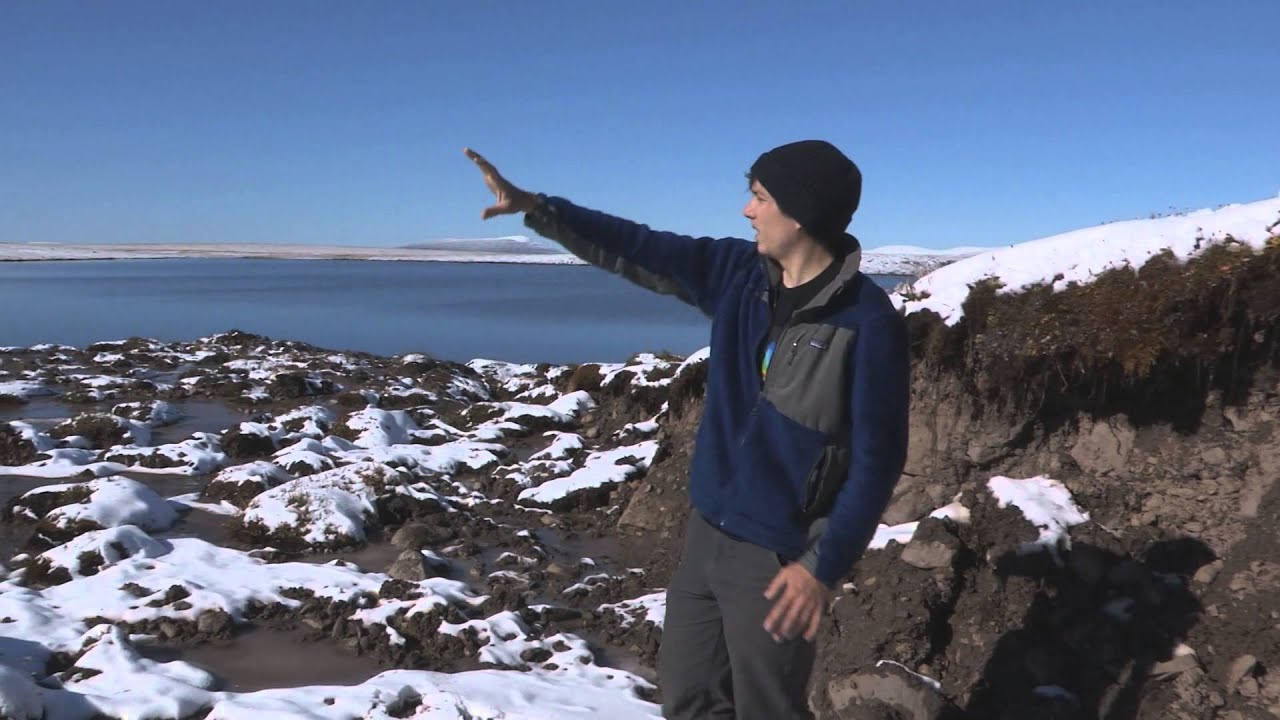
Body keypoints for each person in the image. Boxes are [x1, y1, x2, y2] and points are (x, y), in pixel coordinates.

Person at [465, 141, 910, 720]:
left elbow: (878, 460)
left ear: (801, 212)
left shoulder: (867, 323)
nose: (747, 210)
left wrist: (822, 567)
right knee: (690, 701)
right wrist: (539, 209)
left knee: (768, 709)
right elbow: (637, 247)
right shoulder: (738, 275)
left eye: (759, 197)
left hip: (777, 557)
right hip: (707, 532)